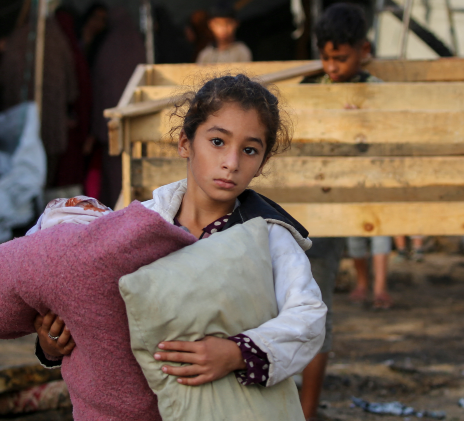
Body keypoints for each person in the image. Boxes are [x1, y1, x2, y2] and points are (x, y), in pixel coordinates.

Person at [36, 74, 326, 392]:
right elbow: (102, 310)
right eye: (218, 142)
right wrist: (53, 344)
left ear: (263, 161)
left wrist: (237, 353)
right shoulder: (139, 224)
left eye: (249, 150)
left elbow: (308, 316)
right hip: (142, 400)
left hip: (231, 402)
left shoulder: (270, 235)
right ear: (185, 143)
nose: (231, 163)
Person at [298, 3, 387, 420]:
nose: (331, 67)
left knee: (317, 310)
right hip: (292, 210)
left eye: (341, 58)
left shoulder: (376, 91)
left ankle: (307, 411)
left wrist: (361, 124)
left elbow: (387, 143)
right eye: (326, 57)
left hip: (331, 217)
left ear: (364, 51)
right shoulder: (308, 86)